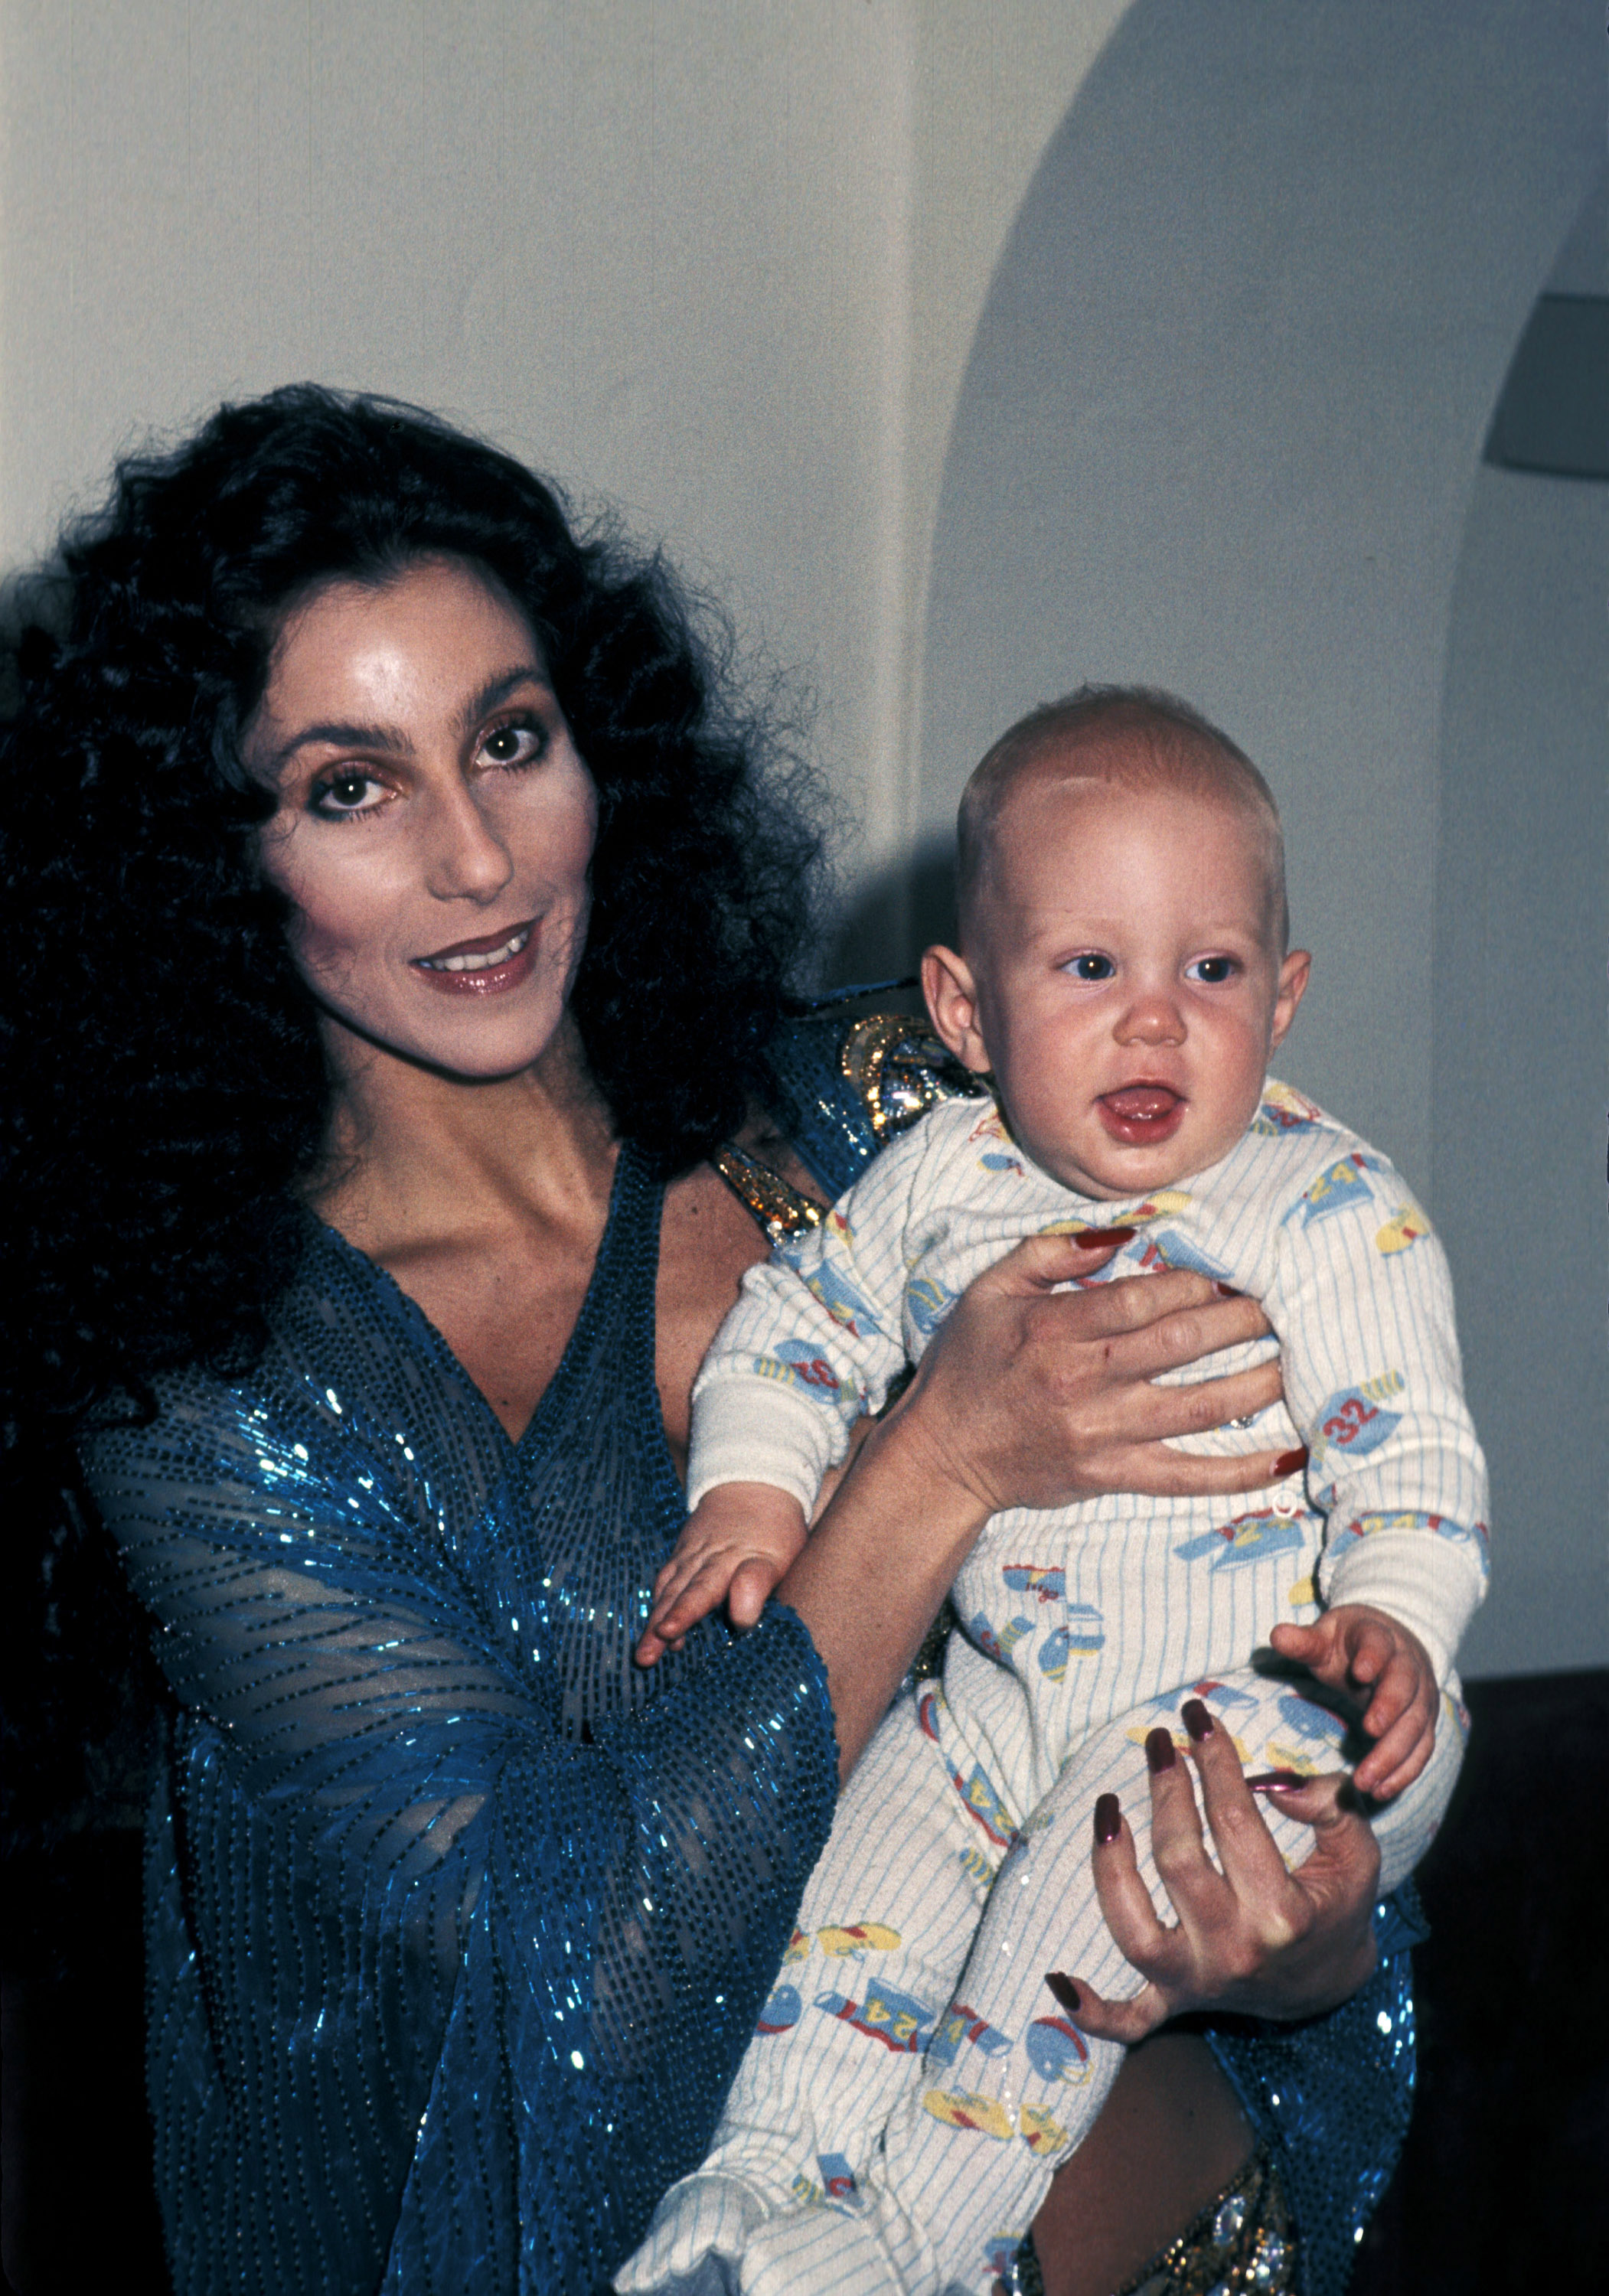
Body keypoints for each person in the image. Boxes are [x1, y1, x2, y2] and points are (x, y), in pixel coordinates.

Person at [0, 390, 1402, 2296]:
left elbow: (1271, 1583)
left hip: (1204, 2240)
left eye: (510, 740)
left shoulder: (912, 1101)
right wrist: (936, 1469)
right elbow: (567, 1969)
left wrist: (1313, 1939)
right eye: (352, 786)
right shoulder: (221, 1396)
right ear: (208, 856)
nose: (479, 860)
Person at [623, 691, 1487, 2296]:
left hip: (1266, 1715)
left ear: (1284, 998)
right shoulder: (939, 1178)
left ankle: (898, 2251)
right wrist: (750, 1497)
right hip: (1003, 1696)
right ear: (963, 1007)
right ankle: (751, 2194)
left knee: (1048, 1962)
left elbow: (1415, 1460)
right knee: (852, 1897)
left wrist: (1393, 1623)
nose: (1155, 1024)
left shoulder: (1322, 1203)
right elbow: (791, 1333)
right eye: (1091, 969)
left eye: (1209, 971)